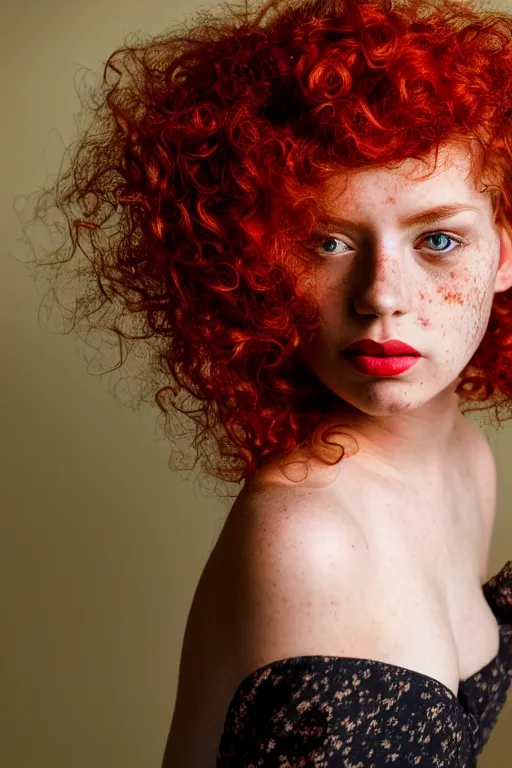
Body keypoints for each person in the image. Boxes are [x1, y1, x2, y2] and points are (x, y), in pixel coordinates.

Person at [16, 0, 512, 765]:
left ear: (505, 254)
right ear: (250, 265)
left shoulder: (463, 461)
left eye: (439, 239)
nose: (381, 295)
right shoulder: (309, 536)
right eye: (325, 242)